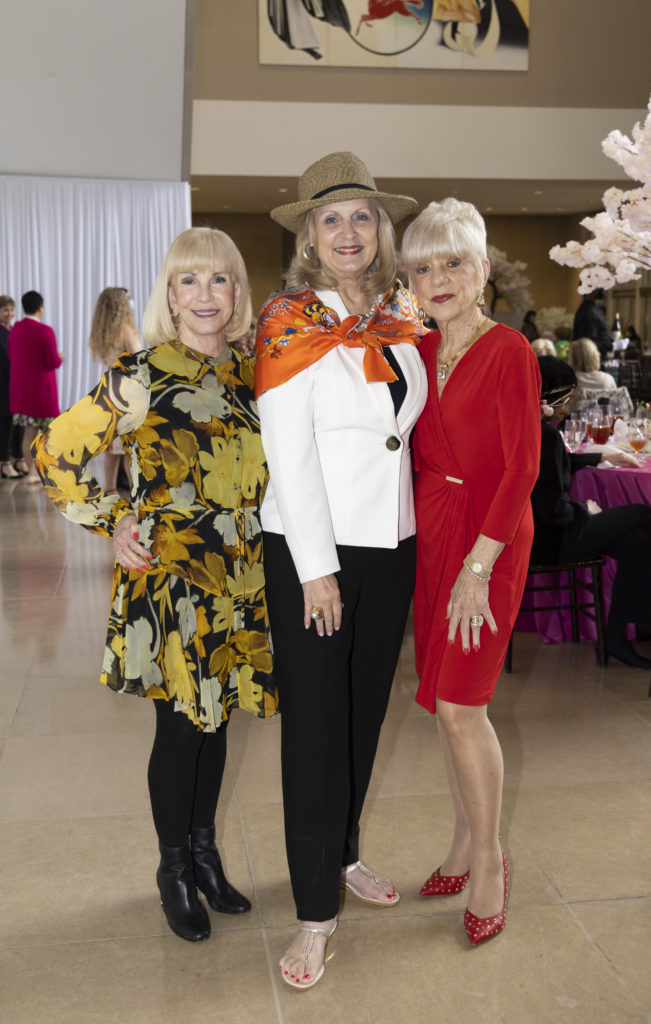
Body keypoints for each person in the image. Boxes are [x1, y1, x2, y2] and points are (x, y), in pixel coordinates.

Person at [32, 227, 276, 943]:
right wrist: (112, 520)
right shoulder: (138, 374)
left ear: (237, 293)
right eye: (188, 281)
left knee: (218, 718)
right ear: (169, 294)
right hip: (171, 583)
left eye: (219, 280)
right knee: (180, 726)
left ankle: (204, 854)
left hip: (240, 576)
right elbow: (53, 451)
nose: (205, 295)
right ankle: (172, 866)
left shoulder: (251, 374)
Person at [254, 151, 427, 989]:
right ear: (309, 238)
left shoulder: (397, 314)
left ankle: (345, 851)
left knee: (362, 718)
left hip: (389, 545)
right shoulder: (291, 318)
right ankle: (315, 914)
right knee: (317, 731)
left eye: (362, 217)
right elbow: (288, 457)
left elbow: (397, 435)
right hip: (310, 553)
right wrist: (314, 571)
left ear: (379, 229)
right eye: (331, 219)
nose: (348, 232)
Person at [400, 197, 541, 946]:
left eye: (452, 262)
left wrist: (477, 568)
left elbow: (521, 467)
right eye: (421, 267)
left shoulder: (509, 349)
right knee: (442, 708)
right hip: (433, 536)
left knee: (462, 705)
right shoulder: (417, 353)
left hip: (487, 543)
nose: (438, 278)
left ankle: (488, 861)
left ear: (480, 269)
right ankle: (461, 839)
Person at [531, 356, 651, 669]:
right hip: (552, 541)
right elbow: (551, 510)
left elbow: (552, 468)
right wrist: (584, 508)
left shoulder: (528, 428)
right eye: (567, 397)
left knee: (639, 540)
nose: (569, 406)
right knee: (642, 514)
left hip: (538, 538)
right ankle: (634, 628)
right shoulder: (545, 435)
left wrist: (600, 458)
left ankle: (619, 635)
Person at [88, 287, 143, 494]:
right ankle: (136, 492)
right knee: (130, 448)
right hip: (128, 392)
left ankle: (110, 491)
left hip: (110, 390)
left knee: (113, 447)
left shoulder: (103, 331)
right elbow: (139, 357)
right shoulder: (125, 329)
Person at [8, 290, 64, 483]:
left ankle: (31, 471)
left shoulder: (15, 329)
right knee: (48, 435)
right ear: (41, 308)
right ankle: (37, 473)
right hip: (43, 392)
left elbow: (11, 356)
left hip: (23, 391)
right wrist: (61, 357)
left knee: (28, 434)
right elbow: (52, 361)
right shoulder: (45, 331)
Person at [0, 295, 25, 478]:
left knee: (17, 422)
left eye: (11, 310)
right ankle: (4, 463)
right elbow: (6, 360)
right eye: (5, 310)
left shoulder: (9, 330)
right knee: (6, 422)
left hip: (14, 383)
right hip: (4, 383)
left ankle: (18, 458)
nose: (9, 313)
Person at [572, 287, 611, 360]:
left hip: (596, 356)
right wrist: (611, 345)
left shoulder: (593, 308)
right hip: (591, 359)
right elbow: (588, 342)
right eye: (595, 287)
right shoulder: (588, 312)